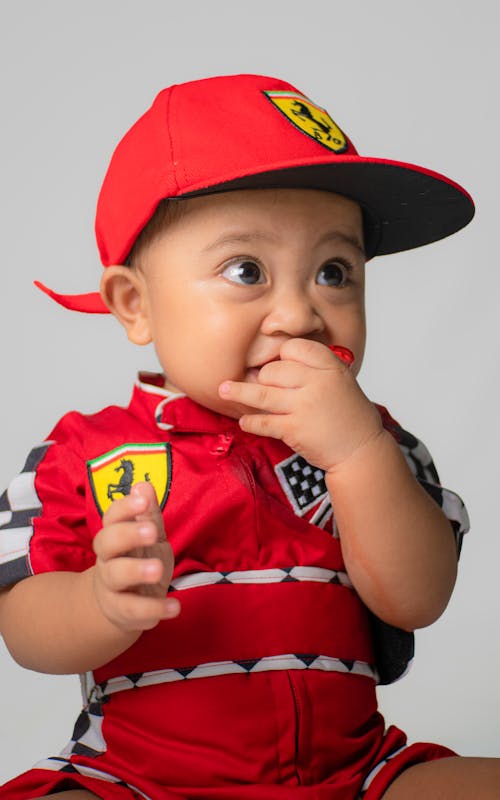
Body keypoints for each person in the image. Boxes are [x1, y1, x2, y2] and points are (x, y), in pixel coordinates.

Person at [0, 73, 498, 800]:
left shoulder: (378, 444)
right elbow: (23, 629)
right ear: (135, 305)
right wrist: (99, 604)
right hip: (139, 781)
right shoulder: (85, 455)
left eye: (335, 271)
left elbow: (417, 599)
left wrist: (357, 452)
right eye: (246, 271)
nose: (299, 314)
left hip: (356, 775)